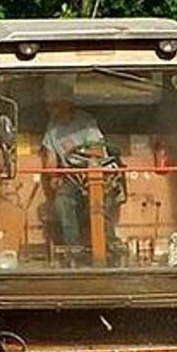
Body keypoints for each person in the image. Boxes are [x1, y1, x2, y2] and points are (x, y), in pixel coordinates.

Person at [40, 76, 123, 250]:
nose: (50, 109)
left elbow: (98, 151)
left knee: (103, 198)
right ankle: (73, 247)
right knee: (63, 200)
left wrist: (78, 150)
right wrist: (53, 176)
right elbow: (50, 157)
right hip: (72, 176)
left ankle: (109, 242)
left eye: (54, 105)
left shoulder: (86, 123)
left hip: (98, 172)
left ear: (67, 103)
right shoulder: (52, 128)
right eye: (48, 106)